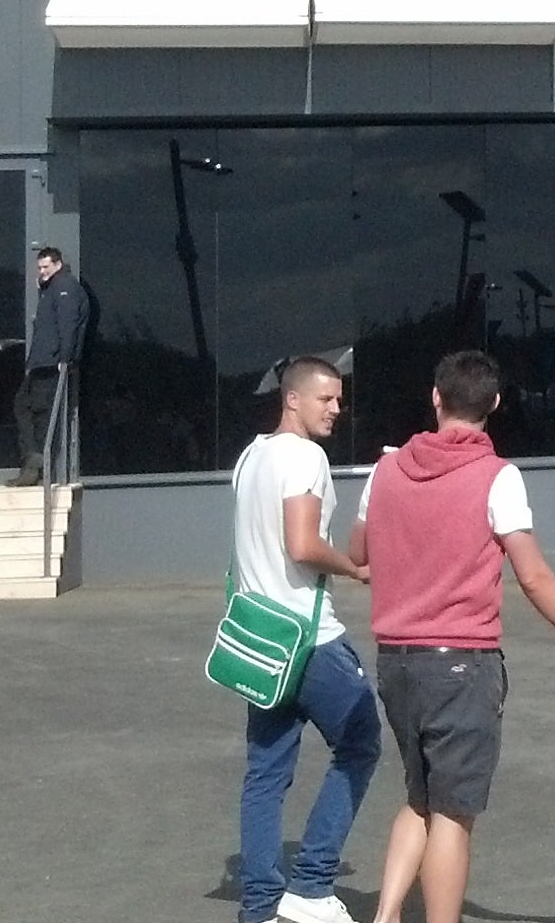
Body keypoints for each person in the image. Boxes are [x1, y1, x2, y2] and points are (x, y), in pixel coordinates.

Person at [353, 351, 555, 923]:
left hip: (396, 660)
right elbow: (533, 575)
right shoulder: (497, 476)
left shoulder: (385, 470)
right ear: (494, 403)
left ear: (435, 398)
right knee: (453, 814)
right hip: (461, 664)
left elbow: (358, 553)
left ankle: (386, 915)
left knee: (419, 798)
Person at [230, 357, 381, 923]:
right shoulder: (304, 457)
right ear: (292, 399)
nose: (336, 409)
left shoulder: (250, 457)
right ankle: (313, 885)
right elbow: (302, 545)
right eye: (326, 399)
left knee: (266, 772)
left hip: (260, 638)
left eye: (339, 399)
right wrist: (354, 567)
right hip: (309, 636)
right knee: (361, 743)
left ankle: (260, 906)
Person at [11, 247, 97, 487]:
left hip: (52, 363)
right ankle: (33, 462)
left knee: (40, 412)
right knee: (26, 406)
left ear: (58, 265)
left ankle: (37, 466)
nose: (41, 271)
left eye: (46, 267)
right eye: (39, 268)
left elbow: (67, 325)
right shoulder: (52, 289)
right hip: (43, 361)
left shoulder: (64, 288)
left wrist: (65, 359)